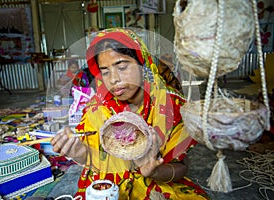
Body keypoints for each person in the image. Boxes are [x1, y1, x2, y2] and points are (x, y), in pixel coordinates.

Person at [51, 28, 209, 199]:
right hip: (108, 187)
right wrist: (79, 153)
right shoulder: (97, 108)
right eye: (105, 71)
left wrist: (155, 171)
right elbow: (91, 159)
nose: (113, 79)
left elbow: (182, 167)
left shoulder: (171, 105)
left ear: (142, 63)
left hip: (157, 185)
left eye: (122, 67)